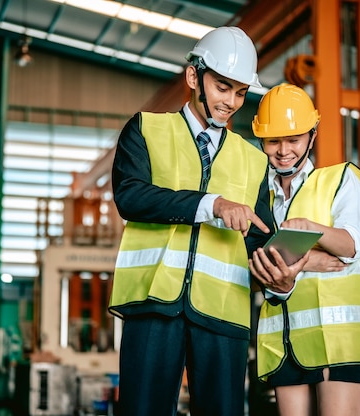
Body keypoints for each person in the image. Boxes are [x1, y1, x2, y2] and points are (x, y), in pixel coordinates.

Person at [108, 28, 306, 416]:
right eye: (222, 87)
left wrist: (280, 280)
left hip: (223, 314)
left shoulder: (253, 161)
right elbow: (130, 196)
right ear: (194, 77)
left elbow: (257, 242)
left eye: (239, 91)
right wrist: (211, 204)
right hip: (153, 305)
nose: (231, 102)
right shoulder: (147, 130)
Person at [249, 83, 360, 416]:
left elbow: (350, 246)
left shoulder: (340, 180)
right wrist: (309, 260)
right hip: (284, 345)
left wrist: (311, 230)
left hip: (339, 342)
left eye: (293, 139)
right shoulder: (257, 198)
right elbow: (260, 265)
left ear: (313, 134)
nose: (283, 151)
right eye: (273, 140)